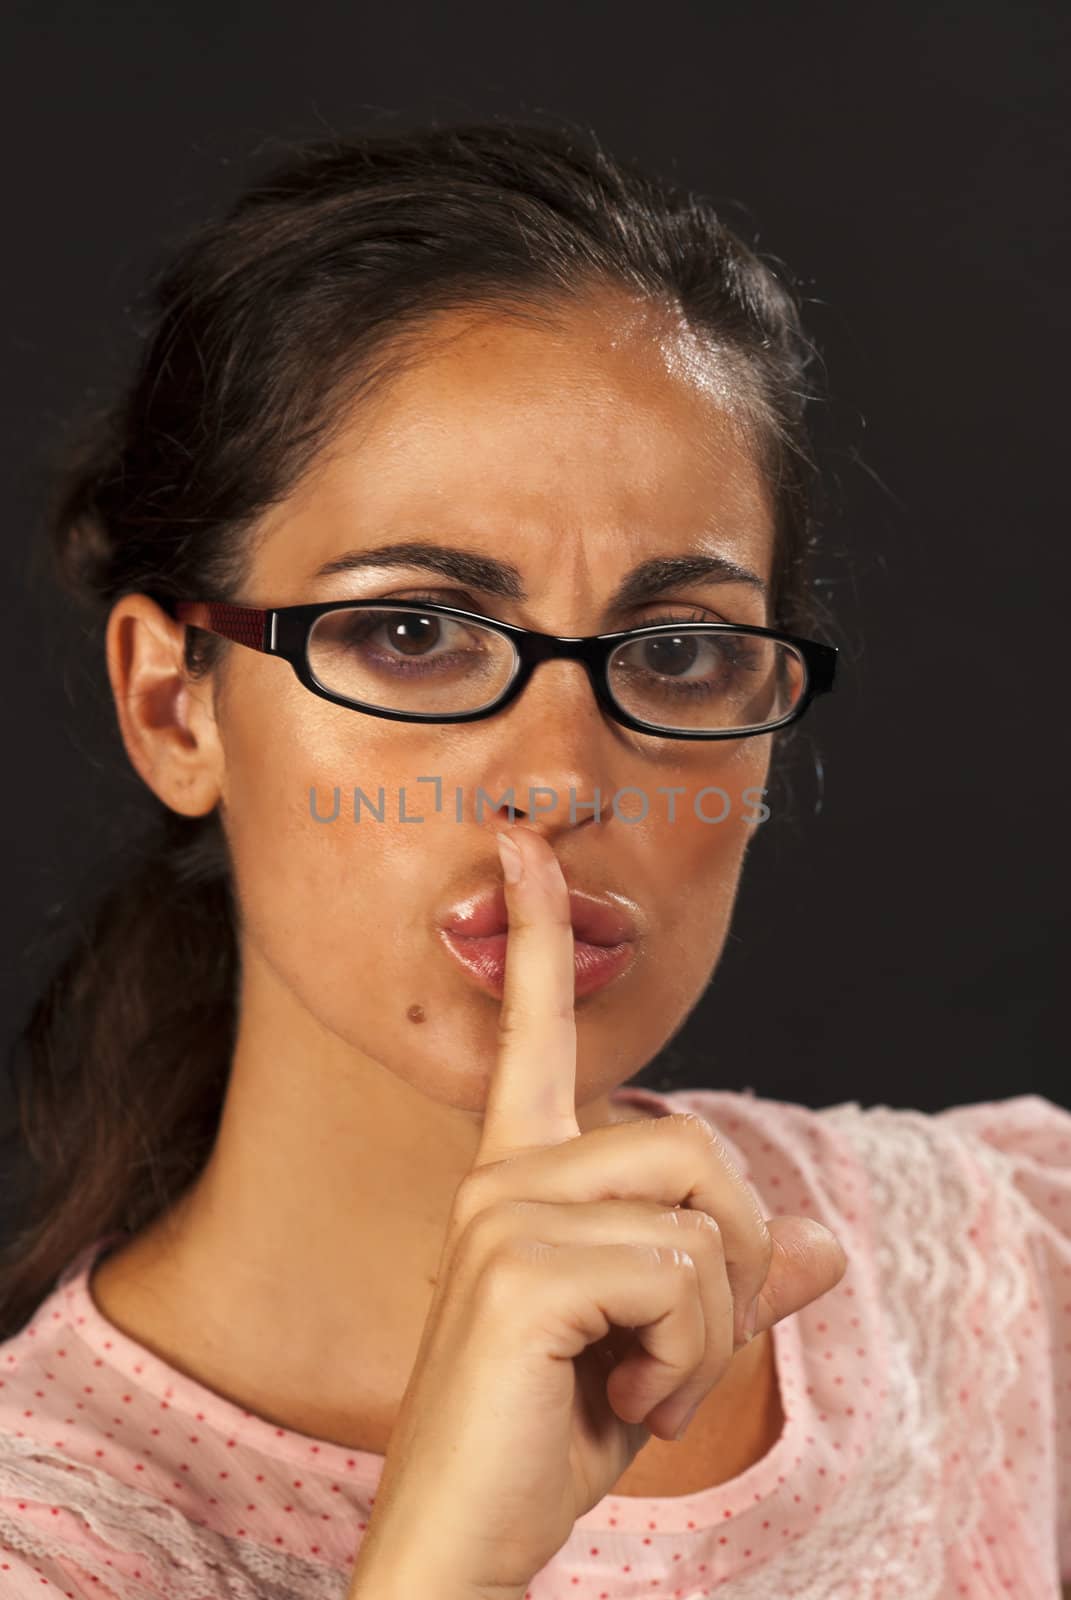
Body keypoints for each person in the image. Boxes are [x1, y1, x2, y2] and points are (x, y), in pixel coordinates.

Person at [0, 117, 1067, 1600]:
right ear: (175, 704)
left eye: (680, 650)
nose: (564, 775)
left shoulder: (1014, 1278)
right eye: (414, 632)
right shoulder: (47, 1538)